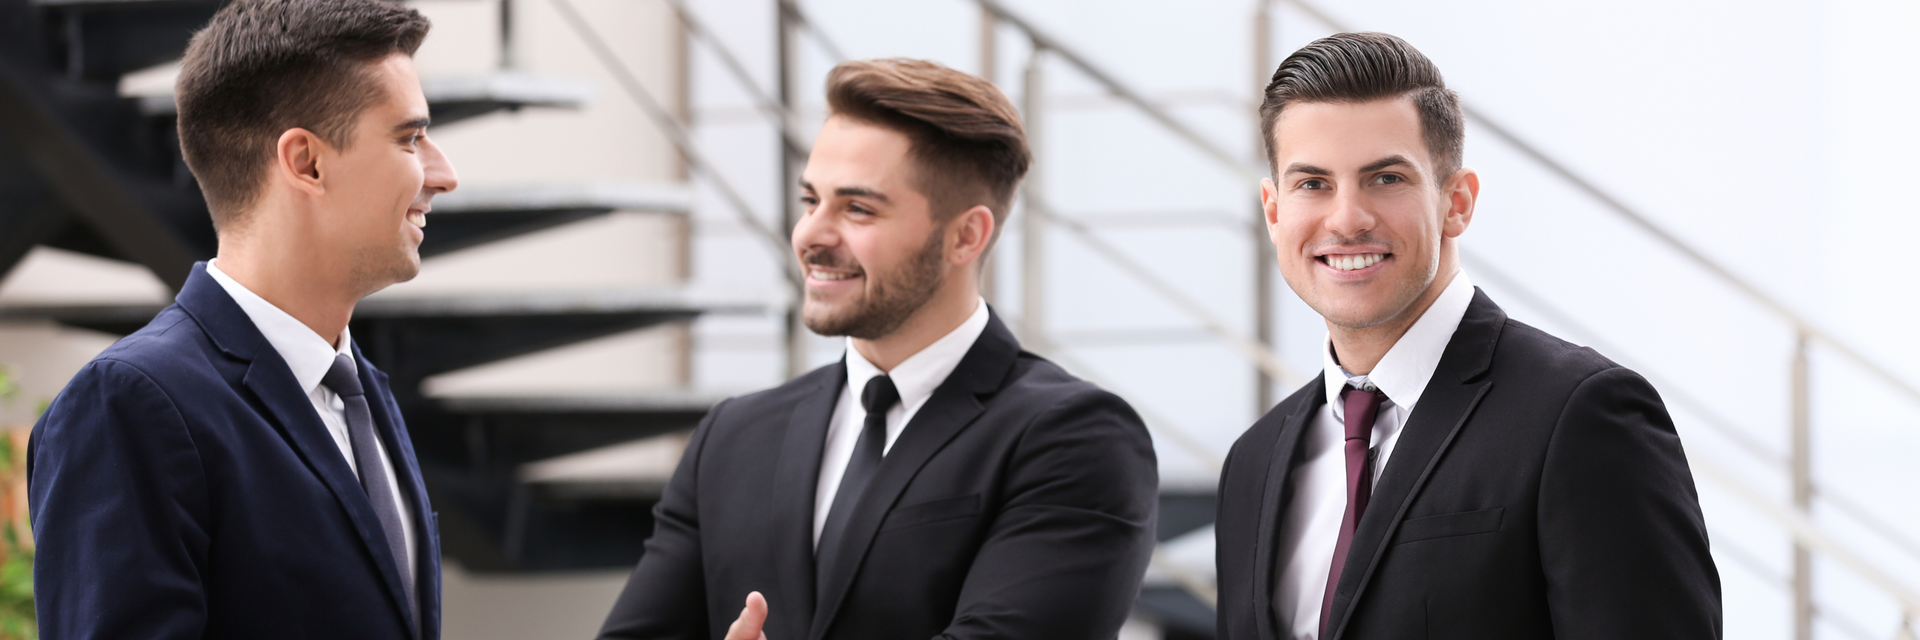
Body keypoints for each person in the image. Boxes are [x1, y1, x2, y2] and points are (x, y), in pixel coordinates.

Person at [597, 58, 1158, 640]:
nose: (811, 234)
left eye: (858, 208)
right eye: (810, 200)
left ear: (966, 235)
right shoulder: (733, 436)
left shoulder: (1075, 436)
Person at [1214, 32, 1720, 640]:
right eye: (1313, 184)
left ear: (1456, 201)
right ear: (1273, 211)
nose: (1346, 219)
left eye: (1386, 178)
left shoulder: (1580, 416)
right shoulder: (1253, 461)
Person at [27, 0, 457, 637]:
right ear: (306, 161)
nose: (443, 175)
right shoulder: (129, 404)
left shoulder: (361, 391)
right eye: (409, 138)